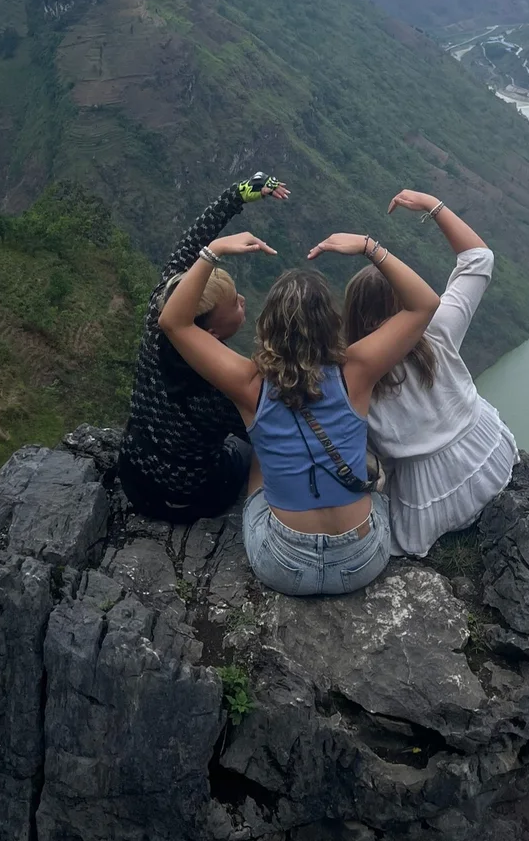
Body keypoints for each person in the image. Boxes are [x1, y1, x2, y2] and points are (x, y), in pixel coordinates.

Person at [157, 225, 440, 595]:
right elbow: (425, 304)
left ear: (267, 326)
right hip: (363, 560)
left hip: (283, 564)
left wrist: (212, 251)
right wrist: (370, 248)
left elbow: (173, 322)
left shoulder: (247, 384)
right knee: (373, 482)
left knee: (260, 453)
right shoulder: (357, 370)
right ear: (330, 322)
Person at [342, 190, 518, 557]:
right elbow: (478, 259)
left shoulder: (350, 378)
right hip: (490, 463)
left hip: (430, 504)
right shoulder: (437, 329)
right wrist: (432, 205)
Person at [118, 172, 289, 523]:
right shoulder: (218, 388)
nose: (243, 301)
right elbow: (277, 432)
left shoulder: (161, 311)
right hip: (186, 498)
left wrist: (241, 195)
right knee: (251, 444)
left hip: (132, 474)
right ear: (210, 332)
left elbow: (192, 242)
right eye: (236, 306)